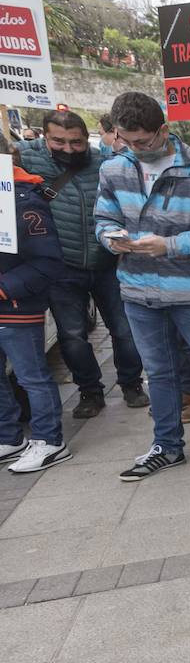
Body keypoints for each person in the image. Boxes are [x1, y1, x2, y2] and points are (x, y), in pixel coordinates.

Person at [94, 91, 190, 481]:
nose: (134, 148)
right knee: (158, 373)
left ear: (163, 131)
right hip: (138, 290)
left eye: (142, 141)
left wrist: (170, 245)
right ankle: (166, 445)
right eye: (125, 140)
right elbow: (103, 218)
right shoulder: (113, 169)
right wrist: (111, 238)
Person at [15, 110, 149, 419]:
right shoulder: (28, 159)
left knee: (125, 329)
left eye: (76, 142)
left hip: (108, 262)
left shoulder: (103, 164)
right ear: (45, 137)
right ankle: (90, 391)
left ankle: (131, 384)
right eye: (58, 141)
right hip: (61, 268)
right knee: (72, 335)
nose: (68, 149)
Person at [0, 165, 72, 472]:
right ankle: (8, 436)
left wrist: (4, 289)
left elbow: (47, 262)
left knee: (32, 377)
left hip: (17, 307)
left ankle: (48, 440)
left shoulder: (25, 202)